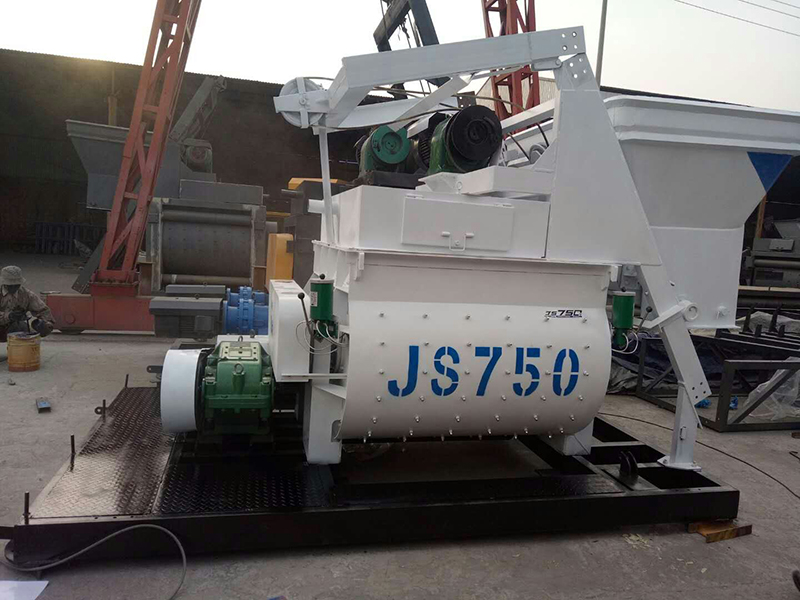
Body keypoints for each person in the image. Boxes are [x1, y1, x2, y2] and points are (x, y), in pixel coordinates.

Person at [0, 266, 55, 342]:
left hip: (13, 327)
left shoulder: (27, 295)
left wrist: (46, 323)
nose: (13, 287)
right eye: (10, 285)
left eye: (16, 285)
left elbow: (43, 310)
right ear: (4, 284)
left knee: (23, 329)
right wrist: (8, 316)